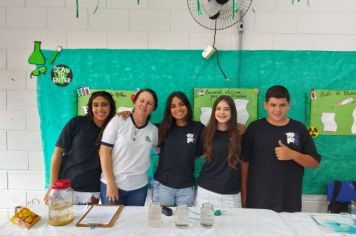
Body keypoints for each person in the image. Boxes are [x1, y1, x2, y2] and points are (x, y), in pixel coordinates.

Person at [241, 85, 321, 213]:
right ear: (265, 105)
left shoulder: (299, 128)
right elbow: (245, 162)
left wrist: (292, 154)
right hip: (258, 199)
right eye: (273, 105)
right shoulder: (254, 128)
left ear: (289, 105)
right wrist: (244, 194)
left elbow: (315, 162)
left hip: (288, 201)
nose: (277, 110)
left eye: (282, 105)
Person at [44, 91, 116, 205]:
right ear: (90, 107)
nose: (100, 109)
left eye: (104, 104)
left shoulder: (113, 128)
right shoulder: (77, 122)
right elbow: (57, 153)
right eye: (95, 105)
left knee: (86, 222)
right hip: (65, 187)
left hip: (92, 190)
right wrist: (52, 186)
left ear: (111, 107)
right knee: (61, 220)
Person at [99, 88, 159, 206]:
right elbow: (103, 152)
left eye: (149, 103)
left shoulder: (154, 130)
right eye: (141, 101)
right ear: (135, 102)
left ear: (153, 108)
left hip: (139, 189)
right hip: (112, 184)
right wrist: (111, 183)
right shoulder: (118, 121)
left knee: (133, 224)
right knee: (112, 223)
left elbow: (161, 153)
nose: (144, 105)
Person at [153, 91, 204, 206]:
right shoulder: (161, 128)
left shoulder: (198, 128)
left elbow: (216, 133)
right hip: (163, 185)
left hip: (186, 186)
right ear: (169, 110)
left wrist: (237, 128)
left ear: (187, 106)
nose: (178, 109)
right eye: (173, 106)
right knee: (164, 221)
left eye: (181, 104)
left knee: (184, 221)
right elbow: (140, 125)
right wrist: (128, 114)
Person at [195, 95, 243, 210]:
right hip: (206, 193)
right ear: (214, 111)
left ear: (232, 112)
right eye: (218, 108)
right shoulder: (205, 133)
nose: (222, 112)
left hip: (231, 195)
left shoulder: (241, 134)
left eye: (226, 109)